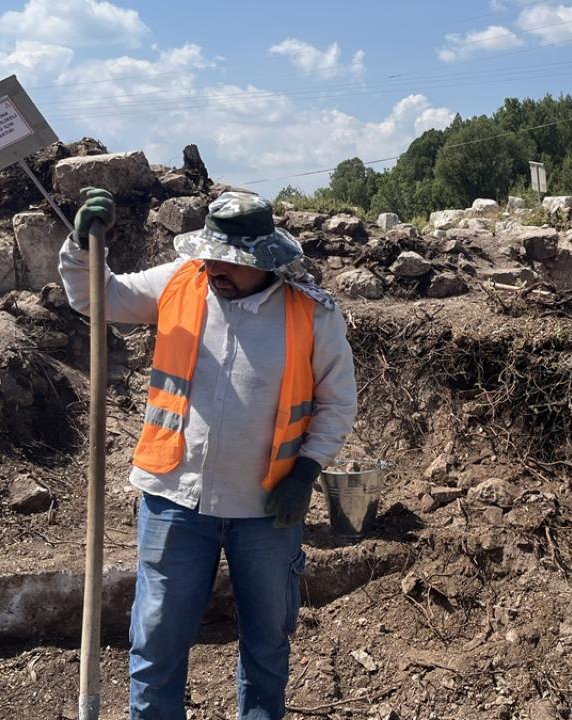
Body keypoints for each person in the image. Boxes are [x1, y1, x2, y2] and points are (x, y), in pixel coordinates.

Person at [59, 188, 358, 719]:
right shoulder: (180, 281)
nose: (216, 267)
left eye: (231, 260)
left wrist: (307, 472)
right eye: (212, 253)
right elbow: (94, 297)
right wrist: (84, 246)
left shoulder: (312, 314)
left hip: (266, 509)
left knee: (267, 645)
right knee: (156, 644)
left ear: (265, 260)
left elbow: (337, 403)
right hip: (175, 500)